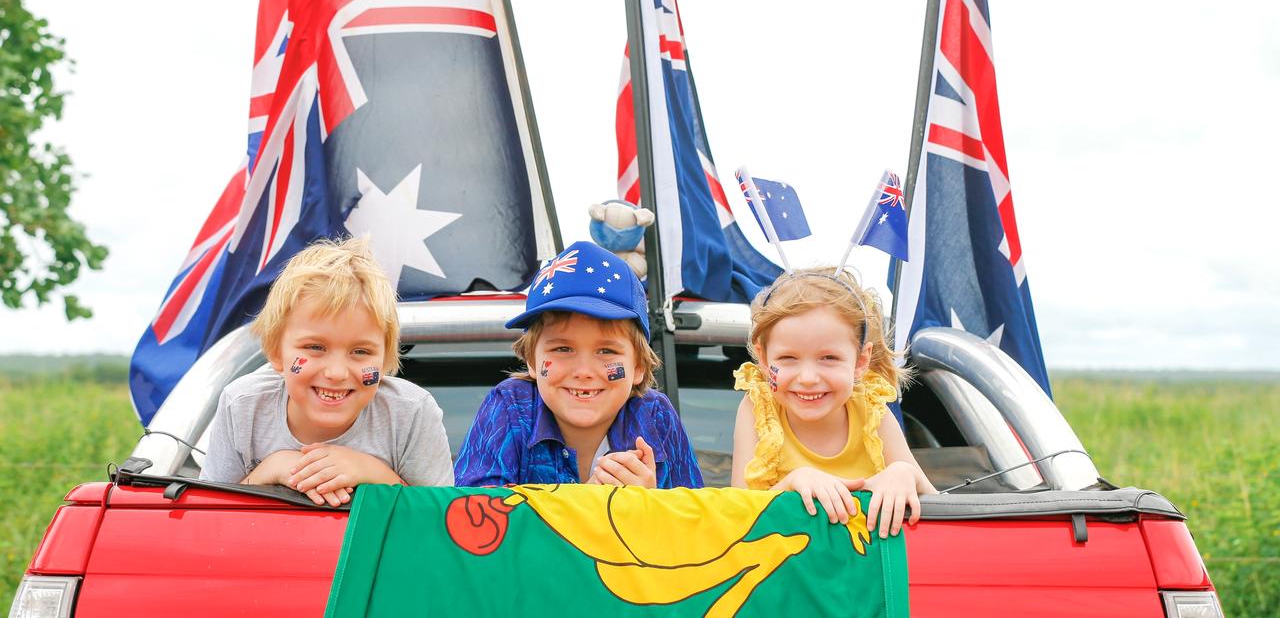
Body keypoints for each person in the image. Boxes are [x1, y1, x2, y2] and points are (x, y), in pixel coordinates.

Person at [199, 236, 453, 505]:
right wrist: (268, 470)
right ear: (275, 352)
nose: (336, 373)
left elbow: (442, 521)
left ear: (384, 360)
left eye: (360, 352)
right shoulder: (242, 405)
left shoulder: (412, 413)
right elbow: (204, 515)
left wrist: (375, 474)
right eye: (315, 347)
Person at [454, 241, 703, 489]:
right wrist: (586, 504)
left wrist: (652, 507)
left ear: (638, 366)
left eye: (606, 351)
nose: (583, 371)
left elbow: (695, 523)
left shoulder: (657, 418)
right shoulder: (510, 407)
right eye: (563, 349)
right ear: (531, 360)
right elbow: (473, 517)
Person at [731, 267, 936, 537]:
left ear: (861, 361)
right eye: (788, 359)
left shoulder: (871, 410)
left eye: (828, 358)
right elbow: (735, 517)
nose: (807, 378)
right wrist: (793, 483)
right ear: (764, 359)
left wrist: (903, 474)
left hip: (865, 572)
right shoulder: (758, 410)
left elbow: (937, 502)